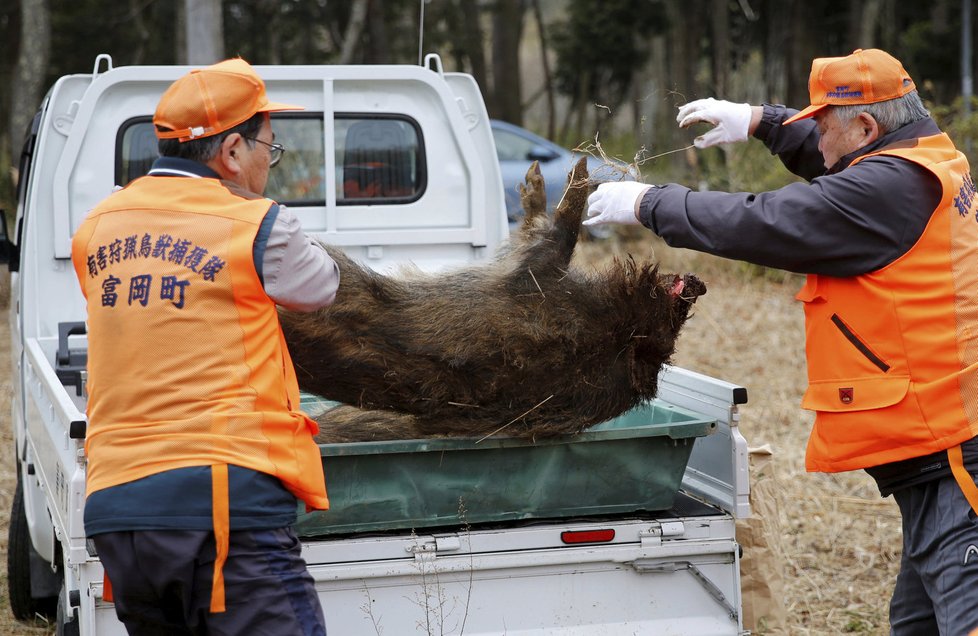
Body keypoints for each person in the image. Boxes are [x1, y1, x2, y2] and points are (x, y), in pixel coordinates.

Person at [586, 48, 978, 635]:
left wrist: (649, 203)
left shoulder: (889, 188)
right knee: (916, 622)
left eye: (821, 123)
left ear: (868, 127)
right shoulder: (924, 156)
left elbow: (768, 219)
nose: (813, 135)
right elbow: (839, 168)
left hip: (950, 448)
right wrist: (760, 121)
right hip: (941, 437)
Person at [70, 58, 339, 635]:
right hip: (222, 504)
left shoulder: (96, 225)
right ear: (234, 151)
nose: (273, 157)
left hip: (118, 509)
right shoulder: (256, 223)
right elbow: (322, 287)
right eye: (272, 144)